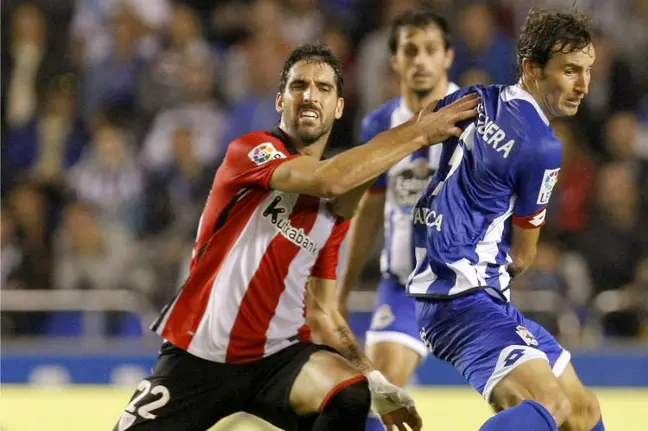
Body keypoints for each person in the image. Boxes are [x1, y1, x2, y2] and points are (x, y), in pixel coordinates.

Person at [112, 44, 479, 431]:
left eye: (323, 88)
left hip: (277, 360)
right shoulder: (252, 151)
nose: (309, 95)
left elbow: (323, 313)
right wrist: (418, 132)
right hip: (198, 356)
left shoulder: (333, 217)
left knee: (350, 393)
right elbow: (330, 179)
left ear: (339, 107)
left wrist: (379, 383)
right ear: (280, 100)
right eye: (299, 85)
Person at [406, 9, 605, 431]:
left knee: (582, 409)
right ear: (532, 69)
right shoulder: (543, 147)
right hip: (464, 297)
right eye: (570, 71)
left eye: (587, 71)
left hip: (460, 291)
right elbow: (525, 253)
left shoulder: (475, 98)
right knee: (551, 404)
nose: (583, 85)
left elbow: (420, 144)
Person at [336, 9, 457, 431]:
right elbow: (369, 211)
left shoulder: (480, 117)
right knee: (377, 398)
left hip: (470, 287)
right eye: (410, 50)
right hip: (405, 288)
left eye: (430, 50)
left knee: (545, 402)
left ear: (448, 57)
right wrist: (341, 290)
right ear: (394, 61)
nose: (420, 60)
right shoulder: (378, 125)